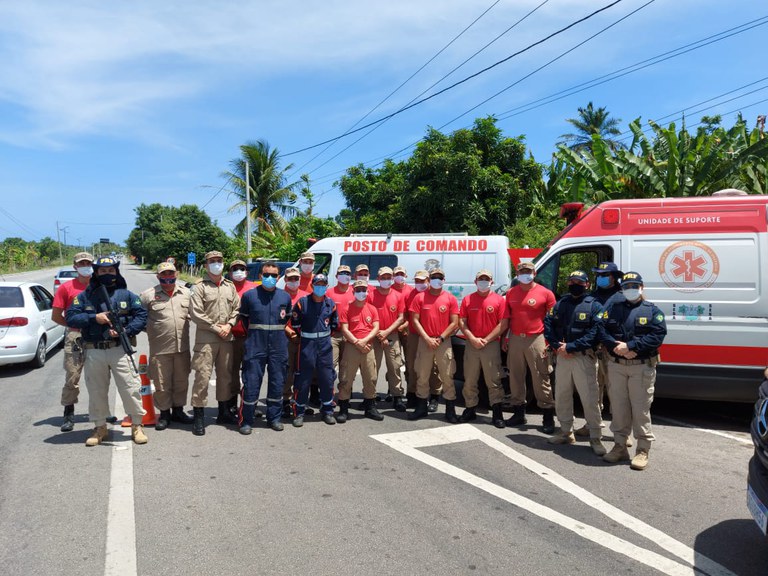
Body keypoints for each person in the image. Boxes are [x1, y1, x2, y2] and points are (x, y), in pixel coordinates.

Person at [66, 256, 148, 446]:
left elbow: (141, 315)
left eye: (111, 270)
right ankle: (100, 427)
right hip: (94, 350)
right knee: (96, 391)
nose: (107, 274)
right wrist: (95, 318)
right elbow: (71, 317)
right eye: (103, 271)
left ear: (116, 272)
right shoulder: (85, 296)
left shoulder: (126, 294)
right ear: (96, 273)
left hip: (119, 348)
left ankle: (137, 425)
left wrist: (126, 330)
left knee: (130, 388)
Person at [601, 272, 667, 470]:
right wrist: (616, 346)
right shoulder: (613, 309)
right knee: (619, 408)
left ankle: (642, 450)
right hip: (616, 365)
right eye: (627, 286)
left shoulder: (652, 311)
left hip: (641, 367)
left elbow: (658, 335)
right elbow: (601, 330)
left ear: (642, 287)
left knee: (640, 409)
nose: (630, 289)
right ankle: (620, 446)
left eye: (634, 285)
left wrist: (631, 346)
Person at [543, 270, 606, 455]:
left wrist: (571, 347)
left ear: (587, 284)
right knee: (562, 395)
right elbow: (548, 324)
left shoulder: (594, 306)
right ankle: (566, 432)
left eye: (579, 281)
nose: (574, 284)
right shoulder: (561, 303)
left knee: (589, 398)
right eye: (571, 281)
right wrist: (557, 346)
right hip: (562, 356)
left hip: (583, 357)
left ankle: (595, 437)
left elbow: (596, 332)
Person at [189, 251, 241, 436]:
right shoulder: (199, 286)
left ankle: (223, 412)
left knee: (225, 377)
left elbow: (237, 308)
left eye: (219, 261)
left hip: (226, 338)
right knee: (202, 377)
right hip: (206, 340)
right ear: (206, 265)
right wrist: (216, 327)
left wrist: (229, 324)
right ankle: (199, 416)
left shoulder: (230, 286)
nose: (216, 264)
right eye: (212, 261)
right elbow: (196, 313)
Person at [572, 260, 624, 440]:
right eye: (598, 275)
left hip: (613, 351)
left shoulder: (622, 297)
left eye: (605, 275)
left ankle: (621, 430)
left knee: (616, 391)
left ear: (614, 277)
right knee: (592, 390)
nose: (600, 278)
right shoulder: (592, 297)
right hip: (593, 350)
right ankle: (592, 424)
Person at [140, 262, 195, 431]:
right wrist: (154, 331)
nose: (168, 277)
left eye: (171, 273)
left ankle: (178, 411)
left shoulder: (186, 293)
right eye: (164, 274)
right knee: (162, 383)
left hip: (182, 348)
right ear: (158, 276)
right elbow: (139, 319)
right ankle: (164, 414)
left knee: (181, 382)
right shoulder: (147, 295)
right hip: (160, 349)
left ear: (176, 274)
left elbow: (195, 315)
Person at [503, 261, 557, 433]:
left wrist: (550, 341)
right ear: (517, 274)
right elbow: (507, 318)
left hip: (537, 338)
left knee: (541, 377)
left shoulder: (546, 293)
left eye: (528, 271)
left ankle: (547, 416)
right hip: (516, 338)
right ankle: (519, 412)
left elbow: (552, 320)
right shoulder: (511, 293)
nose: (524, 274)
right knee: (515, 376)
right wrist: (506, 337)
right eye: (521, 272)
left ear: (534, 273)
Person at [238, 262, 291, 434]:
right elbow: (245, 320)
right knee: (251, 382)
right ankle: (247, 420)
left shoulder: (285, 297)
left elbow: (286, 320)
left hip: (278, 346)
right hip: (255, 345)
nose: (270, 278)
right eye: (266, 274)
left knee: (277, 382)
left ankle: (274, 418)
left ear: (278, 277)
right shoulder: (249, 296)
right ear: (260, 276)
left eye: (274, 275)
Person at [408, 267, 459, 422]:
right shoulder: (420, 298)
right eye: (434, 277)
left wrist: (441, 338)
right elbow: (415, 320)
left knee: (447, 376)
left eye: (440, 277)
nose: (437, 280)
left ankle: (450, 410)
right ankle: (421, 407)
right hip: (425, 341)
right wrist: (426, 338)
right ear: (429, 279)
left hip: (443, 342)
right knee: (422, 375)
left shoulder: (450, 298)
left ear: (444, 280)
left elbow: (455, 322)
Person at [458, 270, 508, 428]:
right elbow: (462, 322)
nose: (483, 282)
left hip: (490, 344)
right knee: (470, 379)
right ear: (475, 281)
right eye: (481, 279)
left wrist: (486, 340)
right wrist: (472, 338)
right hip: (472, 344)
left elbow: (503, 324)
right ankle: (470, 408)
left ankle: (497, 412)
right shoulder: (468, 299)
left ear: (492, 282)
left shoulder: (499, 300)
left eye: (486, 279)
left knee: (493, 380)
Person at [288, 274, 338, 426]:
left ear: (327, 286)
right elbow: (295, 322)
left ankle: (327, 410)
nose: (320, 287)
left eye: (323, 284)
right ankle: (299, 412)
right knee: (303, 378)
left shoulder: (330, 303)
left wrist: (323, 336)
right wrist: (304, 335)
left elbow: (334, 324)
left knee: (327, 378)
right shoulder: (302, 303)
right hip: (307, 343)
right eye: (318, 284)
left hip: (324, 344)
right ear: (313, 285)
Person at [52, 251, 94, 432]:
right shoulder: (66, 288)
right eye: (81, 263)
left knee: (99, 376)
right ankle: (68, 413)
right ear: (75, 266)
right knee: (72, 375)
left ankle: (100, 410)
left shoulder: (100, 286)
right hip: (75, 336)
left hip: (97, 336)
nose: (85, 265)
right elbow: (56, 316)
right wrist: (72, 326)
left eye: (88, 262)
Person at [338, 279, 381, 422]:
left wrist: (364, 341)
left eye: (364, 290)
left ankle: (370, 407)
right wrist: (357, 342)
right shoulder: (346, 309)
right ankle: (343, 409)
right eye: (358, 290)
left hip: (368, 346)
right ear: (353, 292)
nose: (361, 292)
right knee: (346, 378)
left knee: (371, 377)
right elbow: (344, 329)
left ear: (368, 291)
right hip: (352, 346)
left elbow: (375, 327)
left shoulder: (372, 309)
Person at [403, 269, 443, 410]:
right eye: (417, 281)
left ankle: (434, 396)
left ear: (428, 280)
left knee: (434, 366)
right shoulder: (411, 295)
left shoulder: (435, 294)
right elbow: (407, 315)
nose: (420, 283)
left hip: (432, 336)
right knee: (413, 365)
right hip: (415, 335)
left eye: (423, 280)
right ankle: (413, 394)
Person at [369, 266, 406, 412]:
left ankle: (397, 396)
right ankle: (370, 397)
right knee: (372, 367)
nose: (386, 280)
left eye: (388, 277)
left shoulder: (398, 295)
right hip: (375, 335)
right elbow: (369, 316)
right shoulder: (371, 295)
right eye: (383, 278)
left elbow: (401, 317)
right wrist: (379, 333)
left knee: (395, 366)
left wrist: (387, 332)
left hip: (392, 335)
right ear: (378, 279)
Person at [228, 259, 258, 419]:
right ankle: (232, 405)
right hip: (231, 338)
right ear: (230, 272)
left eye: (242, 268)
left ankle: (249, 405)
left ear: (247, 272)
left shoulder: (254, 288)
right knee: (231, 373)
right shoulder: (226, 288)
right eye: (235, 269)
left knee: (251, 373)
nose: (238, 271)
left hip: (251, 337)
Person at [326, 265, 355, 414]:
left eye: (348, 273)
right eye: (342, 273)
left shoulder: (355, 292)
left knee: (347, 368)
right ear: (337, 276)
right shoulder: (330, 292)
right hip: (334, 335)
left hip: (350, 335)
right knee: (330, 366)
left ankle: (345, 397)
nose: (345, 275)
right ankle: (328, 397)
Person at [282, 267, 310, 416]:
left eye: (296, 279)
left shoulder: (306, 296)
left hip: (304, 339)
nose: (293, 281)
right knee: (287, 371)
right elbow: (276, 319)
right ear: (285, 279)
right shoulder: (279, 296)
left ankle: (299, 401)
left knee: (302, 372)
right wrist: (290, 332)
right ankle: (285, 401)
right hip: (286, 339)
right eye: (290, 278)